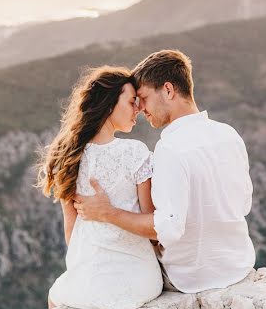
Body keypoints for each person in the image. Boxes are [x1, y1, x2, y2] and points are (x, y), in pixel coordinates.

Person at [75, 49, 255, 293]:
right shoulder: (229, 135)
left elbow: (166, 229)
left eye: (144, 98)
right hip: (238, 265)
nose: (140, 109)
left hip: (189, 278)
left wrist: (107, 213)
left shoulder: (170, 149)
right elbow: (243, 205)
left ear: (168, 90)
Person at [37, 66, 162, 309]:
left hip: (90, 277)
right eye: (131, 102)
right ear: (109, 105)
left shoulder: (68, 157)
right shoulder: (135, 153)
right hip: (139, 278)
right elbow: (153, 229)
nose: (137, 109)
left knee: (56, 296)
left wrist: (82, 274)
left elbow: (70, 230)